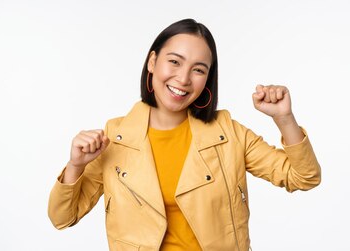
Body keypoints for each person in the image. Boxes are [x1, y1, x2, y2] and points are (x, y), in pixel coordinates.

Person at [47, 18, 321, 251]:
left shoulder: (228, 133)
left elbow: (304, 177)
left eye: (198, 69)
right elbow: (62, 218)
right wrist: (76, 166)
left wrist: (284, 119)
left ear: (208, 78)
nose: (184, 78)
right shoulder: (114, 137)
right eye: (175, 62)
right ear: (152, 61)